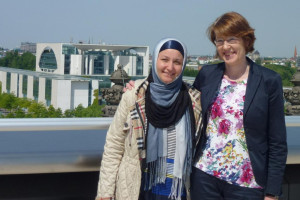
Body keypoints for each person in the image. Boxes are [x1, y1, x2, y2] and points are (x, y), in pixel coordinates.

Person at [191, 12, 287, 200]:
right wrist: (139, 88)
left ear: (245, 40)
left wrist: (272, 192)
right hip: (205, 177)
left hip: (247, 184)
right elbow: (182, 100)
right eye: (219, 41)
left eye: (231, 39)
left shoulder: (269, 81)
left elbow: (277, 141)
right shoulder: (207, 75)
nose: (225, 47)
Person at [95, 38, 202, 200]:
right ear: (155, 60)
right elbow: (114, 145)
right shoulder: (135, 96)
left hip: (177, 192)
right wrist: (105, 192)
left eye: (177, 62)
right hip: (138, 189)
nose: (170, 67)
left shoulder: (193, 100)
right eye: (164, 60)